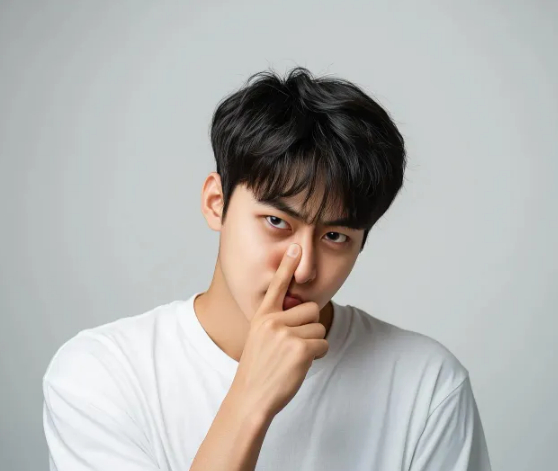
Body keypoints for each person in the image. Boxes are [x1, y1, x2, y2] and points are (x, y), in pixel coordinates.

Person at [42, 67, 492, 471]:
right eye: (277, 222)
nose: (303, 268)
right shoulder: (101, 375)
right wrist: (250, 399)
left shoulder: (426, 385)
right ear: (216, 203)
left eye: (335, 237)